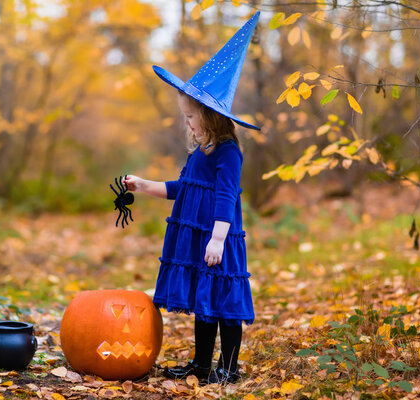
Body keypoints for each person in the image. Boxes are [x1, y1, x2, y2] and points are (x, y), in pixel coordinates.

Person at [123, 12, 261, 385]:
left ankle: (228, 368)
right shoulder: (200, 152)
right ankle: (202, 365)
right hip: (199, 236)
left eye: (190, 117)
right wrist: (144, 185)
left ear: (211, 118)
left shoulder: (228, 151)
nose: (187, 123)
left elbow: (226, 194)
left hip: (219, 237)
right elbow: (182, 189)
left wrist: (218, 237)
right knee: (205, 299)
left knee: (225, 302)